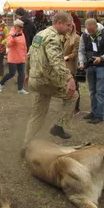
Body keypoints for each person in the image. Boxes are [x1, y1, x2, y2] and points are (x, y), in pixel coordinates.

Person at [21, 12, 78, 157]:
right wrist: (69, 78)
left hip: (35, 80)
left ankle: (25, 146)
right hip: (46, 81)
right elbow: (56, 61)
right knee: (73, 95)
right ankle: (59, 126)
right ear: (59, 23)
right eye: (68, 25)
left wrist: (27, 73)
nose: (69, 28)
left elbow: (29, 55)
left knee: (38, 115)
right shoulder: (53, 38)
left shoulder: (40, 34)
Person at [78, 18, 104, 124]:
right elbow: (81, 50)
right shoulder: (84, 36)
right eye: (88, 30)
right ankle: (94, 112)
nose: (90, 32)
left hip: (102, 66)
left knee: (100, 92)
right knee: (92, 91)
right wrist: (81, 62)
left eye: (92, 31)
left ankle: (99, 115)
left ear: (96, 26)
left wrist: (101, 58)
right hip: (90, 66)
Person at [0, 19, 28, 94]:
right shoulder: (11, 34)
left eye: (22, 27)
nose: (21, 28)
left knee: (22, 74)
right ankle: (1, 83)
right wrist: (13, 38)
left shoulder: (22, 33)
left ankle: (20, 89)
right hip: (13, 57)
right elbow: (8, 44)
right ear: (15, 26)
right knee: (12, 73)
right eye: (20, 27)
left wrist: (25, 54)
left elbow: (24, 44)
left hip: (21, 57)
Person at [61, 22, 81, 114]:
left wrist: (67, 57)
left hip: (71, 65)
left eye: (71, 27)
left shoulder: (77, 38)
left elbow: (75, 52)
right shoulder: (62, 37)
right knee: (64, 86)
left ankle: (76, 107)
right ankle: (66, 104)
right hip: (61, 65)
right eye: (67, 26)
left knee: (74, 86)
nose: (69, 28)